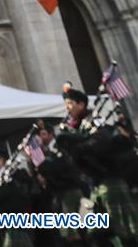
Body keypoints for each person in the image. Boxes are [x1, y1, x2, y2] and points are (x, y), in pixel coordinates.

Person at [56, 85, 138, 247]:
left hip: (110, 182)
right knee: (96, 234)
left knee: (124, 232)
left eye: (71, 103)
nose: (68, 108)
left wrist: (79, 143)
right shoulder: (76, 128)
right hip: (94, 188)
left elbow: (102, 141)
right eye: (66, 104)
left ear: (82, 104)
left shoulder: (94, 120)